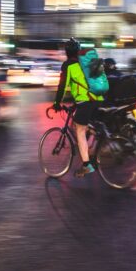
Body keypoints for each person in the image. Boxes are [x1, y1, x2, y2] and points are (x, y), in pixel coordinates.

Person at [53, 38, 104, 178]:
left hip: (85, 101)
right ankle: (98, 140)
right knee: (88, 125)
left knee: (79, 130)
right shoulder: (86, 62)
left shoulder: (68, 65)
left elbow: (62, 86)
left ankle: (87, 165)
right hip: (99, 99)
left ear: (66, 52)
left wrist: (57, 103)